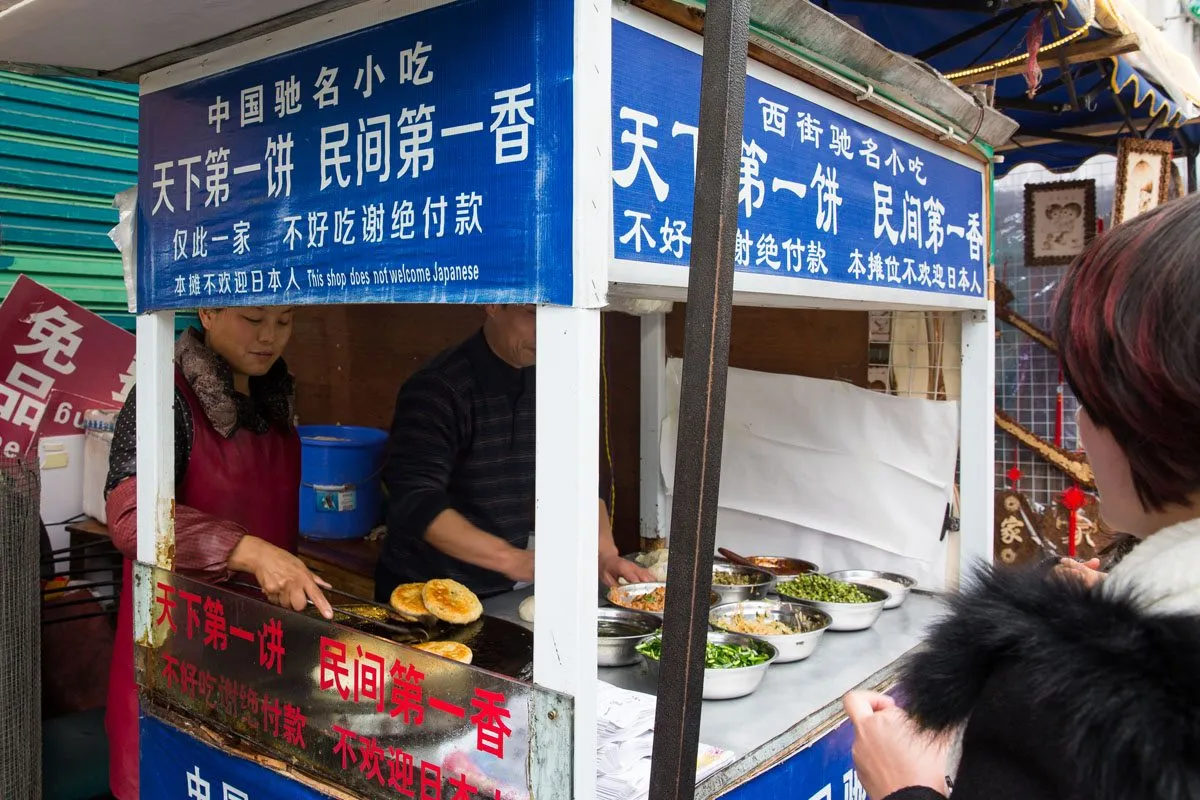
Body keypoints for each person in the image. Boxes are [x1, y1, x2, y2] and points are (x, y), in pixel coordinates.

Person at [844, 193, 1200, 800]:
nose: (1080, 438)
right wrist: (1118, 606)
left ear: (1152, 409)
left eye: (1092, 402)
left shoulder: (1079, 701)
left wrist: (908, 787)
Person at [103, 307, 333, 799]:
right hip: (175, 663)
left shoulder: (273, 399)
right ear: (208, 311)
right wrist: (246, 551)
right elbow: (128, 518)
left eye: (285, 321)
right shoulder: (165, 398)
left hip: (262, 664)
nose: (270, 337)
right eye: (253, 319)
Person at [376, 303, 654, 600]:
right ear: (493, 304)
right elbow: (416, 500)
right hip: (427, 593)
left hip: (506, 593)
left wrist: (603, 554)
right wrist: (511, 559)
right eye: (532, 314)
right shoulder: (439, 387)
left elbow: (581, 476)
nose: (546, 331)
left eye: (555, 318)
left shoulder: (556, 379)